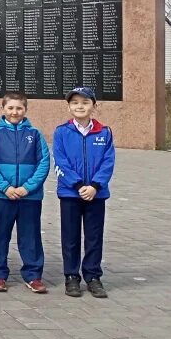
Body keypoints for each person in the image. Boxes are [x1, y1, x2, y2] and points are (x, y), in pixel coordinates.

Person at [0, 92, 51, 294]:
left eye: (19, 108)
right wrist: (5, 187)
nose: (14, 112)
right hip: (2, 195)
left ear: (25, 110)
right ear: (3, 109)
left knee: (30, 236)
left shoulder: (35, 134)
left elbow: (44, 163)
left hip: (29, 196)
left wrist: (27, 187)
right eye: (10, 108)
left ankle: (33, 275)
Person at [53, 86, 115, 298]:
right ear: (69, 107)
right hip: (71, 193)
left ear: (94, 106)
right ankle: (71, 276)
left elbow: (108, 162)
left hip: (96, 194)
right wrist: (78, 185)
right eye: (75, 102)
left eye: (85, 102)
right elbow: (60, 161)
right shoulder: (61, 132)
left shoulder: (104, 132)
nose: (80, 106)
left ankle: (93, 276)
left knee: (94, 237)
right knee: (70, 237)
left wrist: (95, 186)